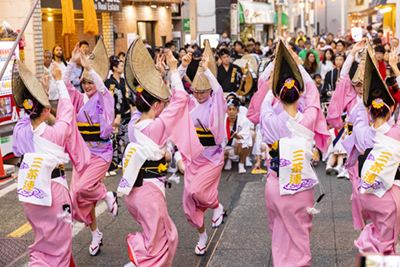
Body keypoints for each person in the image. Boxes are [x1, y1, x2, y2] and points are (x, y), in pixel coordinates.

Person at [121, 37, 203, 267]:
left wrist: (159, 76)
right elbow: (180, 99)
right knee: (161, 244)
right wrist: (175, 70)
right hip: (149, 192)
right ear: (157, 106)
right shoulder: (158, 127)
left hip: (135, 193)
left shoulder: (134, 123)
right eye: (160, 103)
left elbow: (157, 98)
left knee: (166, 237)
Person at [260, 41, 329, 267]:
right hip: (300, 184)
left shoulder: (269, 120)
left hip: (276, 183)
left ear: (278, 97)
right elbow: (313, 94)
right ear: (298, 95)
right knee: (300, 234)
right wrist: (298, 67)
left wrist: (275, 74)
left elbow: (265, 101)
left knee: (279, 231)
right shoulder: (308, 119)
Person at [12, 60, 84, 267]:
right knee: (60, 245)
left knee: (43, 242)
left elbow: (28, 119)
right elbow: (67, 113)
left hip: (32, 193)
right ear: (45, 110)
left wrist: (40, 91)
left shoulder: (20, 131)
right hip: (54, 193)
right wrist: (60, 82)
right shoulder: (54, 134)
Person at [65, 42, 118, 256]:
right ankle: (95, 234)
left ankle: (106, 194)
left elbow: (103, 88)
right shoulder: (79, 100)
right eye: (84, 82)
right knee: (79, 197)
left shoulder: (104, 98)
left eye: (90, 82)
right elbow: (65, 84)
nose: (87, 86)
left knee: (82, 189)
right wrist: (71, 62)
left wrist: (89, 67)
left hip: (101, 154)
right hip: (83, 156)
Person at [349, 49, 400, 254]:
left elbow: (359, 111)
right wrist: (396, 69)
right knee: (387, 243)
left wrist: (365, 94)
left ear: (369, 110)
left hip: (367, 193)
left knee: (376, 232)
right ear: (391, 110)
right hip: (389, 195)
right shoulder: (396, 133)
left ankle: (368, 250)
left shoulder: (362, 132)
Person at [183, 41, 227, 255]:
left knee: (196, 191)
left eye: (203, 91)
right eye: (195, 91)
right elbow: (174, 92)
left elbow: (219, 92)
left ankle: (216, 205)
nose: (199, 95)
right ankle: (202, 235)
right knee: (189, 203)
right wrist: (181, 68)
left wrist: (208, 71)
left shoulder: (214, 102)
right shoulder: (189, 103)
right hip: (192, 158)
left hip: (212, 156)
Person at [327, 40, 366, 230]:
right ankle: (362, 224)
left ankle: (374, 222)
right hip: (353, 149)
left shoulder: (373, 100)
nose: (359, 87)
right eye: (356, 84)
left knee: (372, 188)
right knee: (357, 189)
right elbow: (343, 76)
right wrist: (353, 53)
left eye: (362, 84)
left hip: (370, 149)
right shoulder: (350, 97)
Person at [105, 56, 133, 175]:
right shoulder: (109, 82)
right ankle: (113, 162)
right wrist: (117, 115)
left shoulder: (123, 80)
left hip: (126, 113)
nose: (122, 67)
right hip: (115, 114)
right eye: (120, 65)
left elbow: (127, 97)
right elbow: (112, 101)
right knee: (114, 138)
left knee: (124, 138)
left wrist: (131, 108)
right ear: (115, 68)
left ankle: (123, 160)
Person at [223, 97, 253, 173]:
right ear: (226, 110)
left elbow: (246, 135)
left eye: (234, 109)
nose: (231, 112)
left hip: (237, 146)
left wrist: (238, 137)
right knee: (220, 154)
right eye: (229, 109)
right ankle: (228, 160)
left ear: (238, 110)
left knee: (242, 143)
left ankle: (241, 164)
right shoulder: (223, 120)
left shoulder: (243, 119)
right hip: (226, 146)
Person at [49, 45, 68, 111]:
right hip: (54, 94)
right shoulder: (51, 64)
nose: (59, 51)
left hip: (64, 92)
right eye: (57, 50)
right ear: (53, 52)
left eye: (60, 50)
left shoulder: (65, 64)